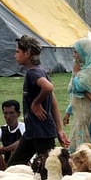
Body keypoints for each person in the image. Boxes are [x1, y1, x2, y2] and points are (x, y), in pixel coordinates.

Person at [9, 35, 66, 166]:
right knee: (14, 166)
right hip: (32, 133)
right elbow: (53, 100)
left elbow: (48, 88)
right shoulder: (40, 71)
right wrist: (59, 129)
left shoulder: (32, 73)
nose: (15, 55)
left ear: (27, 53)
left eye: (17, 52)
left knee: (49, 168)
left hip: (42, 133)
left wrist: (36, 103)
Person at [66, 37, 91, 150]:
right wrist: (68, 111)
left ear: (85, 52)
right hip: (80, 114)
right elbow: (75, 91)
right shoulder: (82, 71)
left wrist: (76, 73)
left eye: (76, 52)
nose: (74, 55)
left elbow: (79, 86)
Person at [0, 99, 25, 167]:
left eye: (11, 113)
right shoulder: (2, 130)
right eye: (5, 113)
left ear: (18, 114)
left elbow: (22, 142)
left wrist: (3, 150)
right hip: (8, 166)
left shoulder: (25, 128)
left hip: (24, 165)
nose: (8, 117)